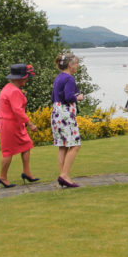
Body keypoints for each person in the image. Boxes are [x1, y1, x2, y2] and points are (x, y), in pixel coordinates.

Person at [0, 64, 39, 188]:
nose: (27, 80)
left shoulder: (9, 87)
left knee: (26, 145)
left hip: (13, 122)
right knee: (8, 151)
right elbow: (18, 110)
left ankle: (27, 172)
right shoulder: (14, 91)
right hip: (10, 123)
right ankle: (2, 177)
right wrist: (30, 124)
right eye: (25, 78)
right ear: (19, 78)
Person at [52, 53, 84, 188]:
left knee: (63, 146)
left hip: (56, 112)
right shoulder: (69, 78)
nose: (77, 66)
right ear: (70, 65)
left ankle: (63, 175)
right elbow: (69, 96)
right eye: (76, 63)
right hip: (65, 114)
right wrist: (79, 97)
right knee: (76, 145)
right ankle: (64, 174)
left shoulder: (59, 78)